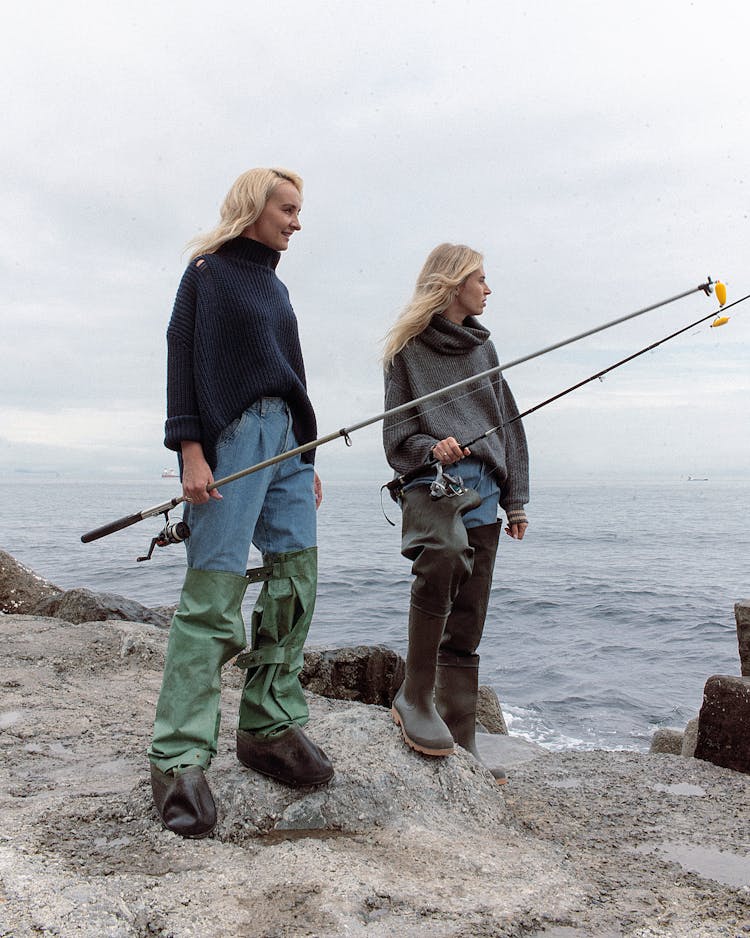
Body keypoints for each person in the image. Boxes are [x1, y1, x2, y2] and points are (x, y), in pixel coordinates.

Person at [148, 167, 332, 838]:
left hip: (284, 441)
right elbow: (181, 357)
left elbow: (295, 375)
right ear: (253, 208)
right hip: (229, 441)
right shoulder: (208, 273)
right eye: (287, 208)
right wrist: (190, 452)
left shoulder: (275, 287)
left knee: (296, 579)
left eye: (299, 209)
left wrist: (305, 456)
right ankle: (177, 759)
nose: (296, 221)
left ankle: (268, 726)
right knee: (212, 596)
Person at [382, 243, 529, 784]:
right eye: (481, 279)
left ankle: (463, 747)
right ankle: (414, 695)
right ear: (452, 284)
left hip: (487, 493)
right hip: (433, 487)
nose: (488, 288)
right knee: (441, 559)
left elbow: (510, 426)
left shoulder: (485, 351)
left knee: (469, 616)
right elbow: (397, 435)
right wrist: (431, 448)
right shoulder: (406, 351)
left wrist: (516, 499)